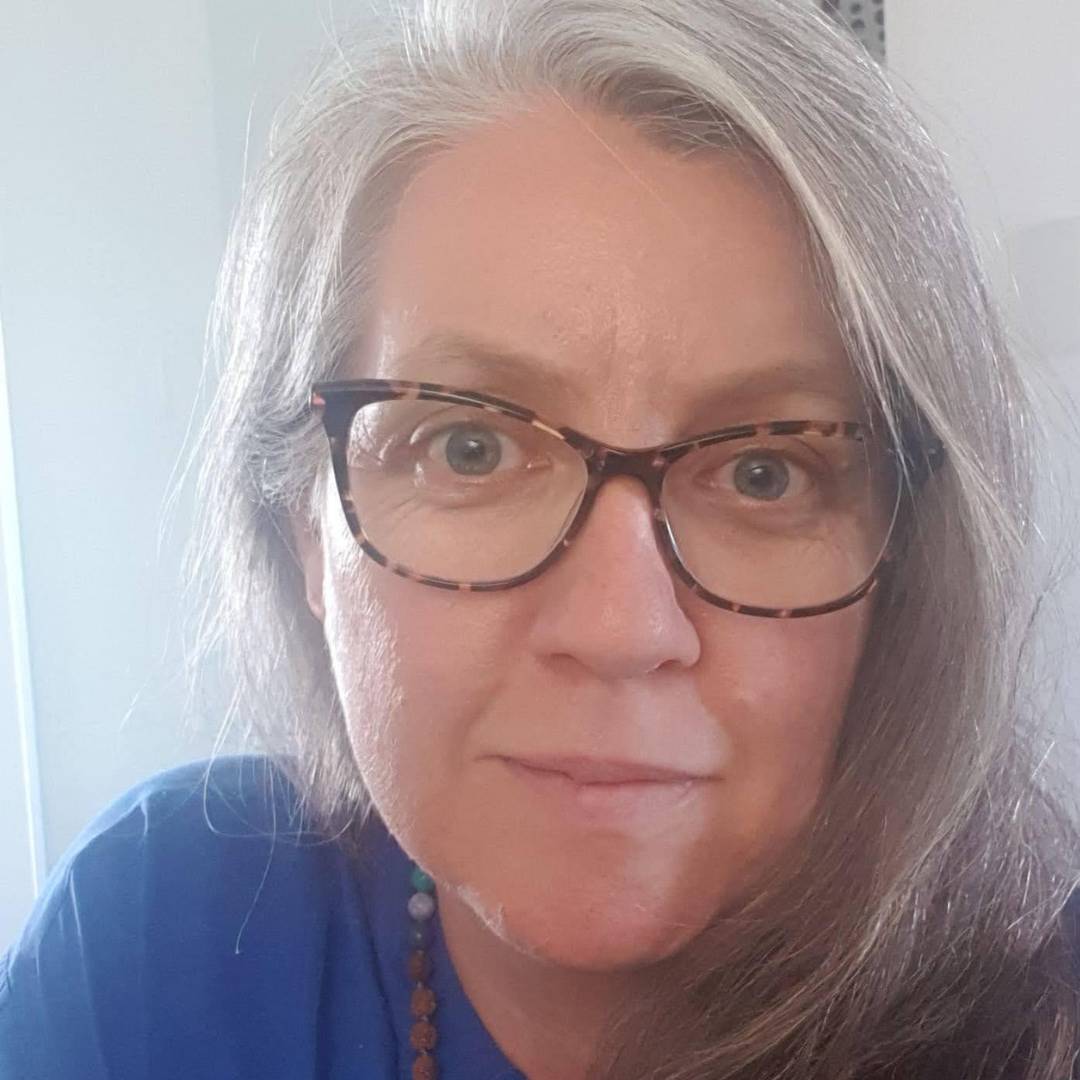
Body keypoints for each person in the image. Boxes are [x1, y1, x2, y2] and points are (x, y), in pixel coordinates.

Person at [2, 0, 1078, 1077]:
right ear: (301, 528)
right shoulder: (159, 943)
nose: (620, 628)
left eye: (765, 471)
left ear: (909, 565)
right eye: (467, 448)